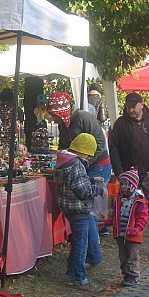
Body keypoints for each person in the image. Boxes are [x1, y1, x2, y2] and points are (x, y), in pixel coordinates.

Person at [47, 91, 112, 267]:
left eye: (54, 116)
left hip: (98, 164)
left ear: (61, 111)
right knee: (84, 211)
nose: (53, 120)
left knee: (87, 211)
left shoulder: (83, 117)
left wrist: (84, 162)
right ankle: (88, 254)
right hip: (80, 165)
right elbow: (64, 145)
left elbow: (100, 142)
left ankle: (92, 255)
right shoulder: (63, 124)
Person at [109, 92, 149, 255]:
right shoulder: (120, 124)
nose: (131, 110)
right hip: (129, 175)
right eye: (128, 107)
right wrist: (119, 172)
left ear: (142, 105)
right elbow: (113, 148)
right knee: (128, 208)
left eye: (134, 107)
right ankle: (130, 241)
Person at [54, 133, 108, 292]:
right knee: (81, 246)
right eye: (88, 155)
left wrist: (91, 179)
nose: (88, 159)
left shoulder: (64, 162)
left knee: (78, 243)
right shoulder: (76, 164)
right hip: (78, 208)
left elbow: (73, 181)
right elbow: (82, 189)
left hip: (68, 207)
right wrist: (98, 190)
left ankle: (71, 274)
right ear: (84, 151)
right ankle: (81, 279)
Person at [98, 168, 148, 287]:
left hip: (133, 233)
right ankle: (126, 273)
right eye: (122, 184)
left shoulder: (139, 200)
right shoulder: (119, 199)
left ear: (133, 185)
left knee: (132, 254)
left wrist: (137, 229)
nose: (124, 187)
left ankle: (133, 275)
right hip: (120, 232)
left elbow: (143, 218)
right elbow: (115, 215)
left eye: (127, 184)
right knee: (123, 254)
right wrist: (106, 223)